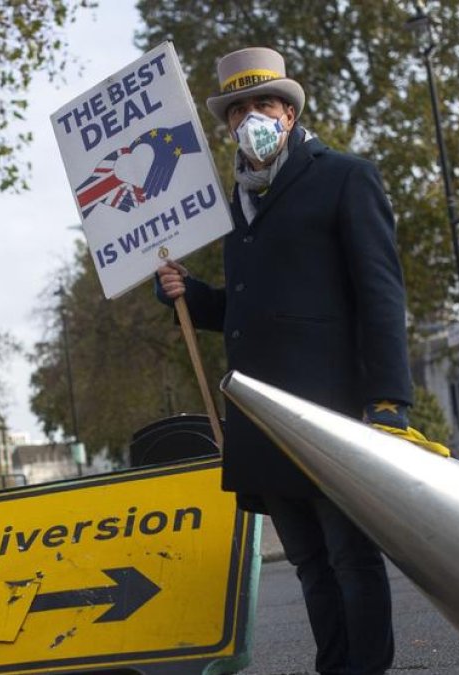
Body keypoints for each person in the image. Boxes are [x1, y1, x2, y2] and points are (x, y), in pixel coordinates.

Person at [156, 48, 413, 675]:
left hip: (331, 410)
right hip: (263, 418)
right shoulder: (233, 205)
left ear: (290, 113)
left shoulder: (345, 177)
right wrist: (190, 295)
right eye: (236, 109)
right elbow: (251, 309)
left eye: (262, 104)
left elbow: (380, 294)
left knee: (351, 557)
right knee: (309, 564)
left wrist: (386, 403)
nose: (249, 118)